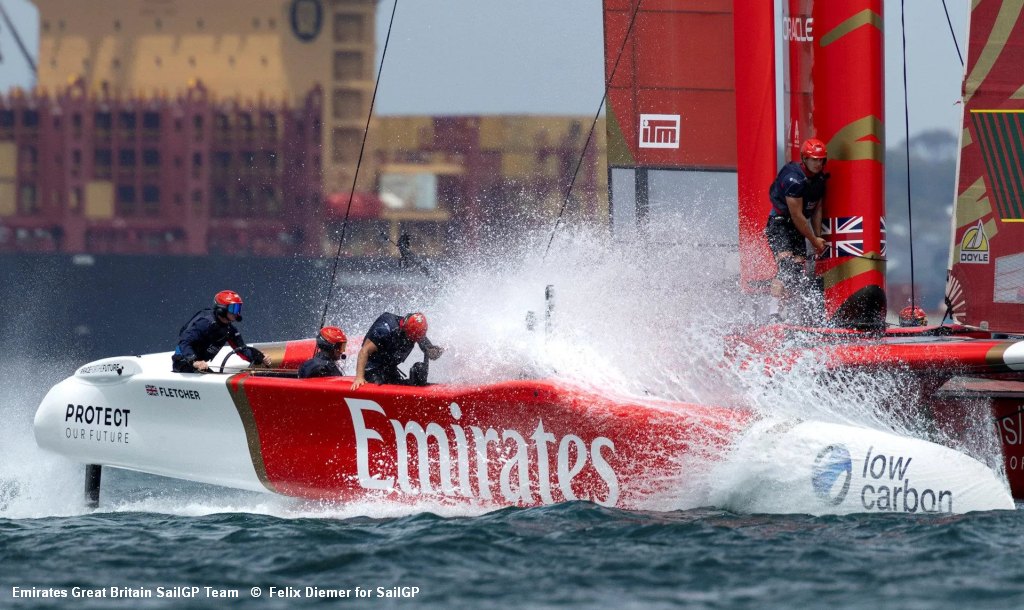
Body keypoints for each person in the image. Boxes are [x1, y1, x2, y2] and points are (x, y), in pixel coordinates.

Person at [765, 137, 830, 315]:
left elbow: (817, 209)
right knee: (786, 266)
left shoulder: (820, 180)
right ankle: (772, 314)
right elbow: (797, 216)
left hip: (797, 229)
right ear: (804, 158)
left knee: (795, 274)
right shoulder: (793, 179)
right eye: (814, 159)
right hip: (780, 224)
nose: (818, 163)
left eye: (821, 160)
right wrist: (814, 240)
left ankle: (784, 315)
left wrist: (818, 236)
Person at [172, 290, 270, 373]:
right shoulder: (205, 323)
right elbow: (184, 341)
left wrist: (260, 357)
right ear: (222, 309)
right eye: (234, 308)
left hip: (200, 365)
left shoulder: (229, 330)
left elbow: (242, 350)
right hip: (184, 362)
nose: (237, 313)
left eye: (238, 308)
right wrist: (193, 361)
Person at [351, 312, 444, 390]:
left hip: (389, 367)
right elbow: (364, 351)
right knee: (380, 385)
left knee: (407, 383)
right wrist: (359, 377)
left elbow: (430, 351)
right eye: (413, 339)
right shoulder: (386, 330)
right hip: (372, 366)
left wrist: (435, 352)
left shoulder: (417, 331)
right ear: (405, 329)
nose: (415, 341)